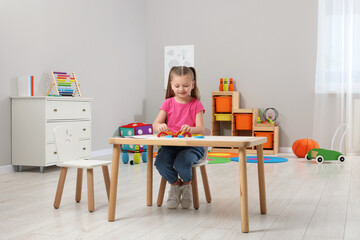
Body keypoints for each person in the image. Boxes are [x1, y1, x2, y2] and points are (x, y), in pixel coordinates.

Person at [153, 66, 205, 209]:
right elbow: (155, 124)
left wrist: (191, 129)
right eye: (177, 85)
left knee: (183, 162)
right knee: (160, 163)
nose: (181, 89)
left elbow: (201, 128)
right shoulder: (168, 103)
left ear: (192, 85)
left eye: (186, 85)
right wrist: (160, 126)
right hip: (170, 146)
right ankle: (176, 185)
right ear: (171, 85)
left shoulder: (196, 104)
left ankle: (187, 184)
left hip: (192, 147)